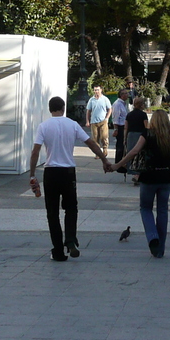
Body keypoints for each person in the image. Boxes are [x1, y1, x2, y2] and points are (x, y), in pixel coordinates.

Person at [28, 96, 111, 261]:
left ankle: (58, 251)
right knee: (71, 208)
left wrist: (32, 174)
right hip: (68, 172)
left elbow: (35, 151)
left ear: (50, 109)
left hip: (51, 172)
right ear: (63, 108)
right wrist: (104, 159)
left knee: (52, 213)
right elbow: (91, 143)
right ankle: (71, 240)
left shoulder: (44, 126)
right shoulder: (72, 125)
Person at [111, 109, 170, 258]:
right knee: (163, 211)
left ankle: (152, 237)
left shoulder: (147, 134)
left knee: (145, 208)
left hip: (149, 176)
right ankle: (160, 249)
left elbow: (134, 151)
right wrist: (167, 159)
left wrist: (118, 165)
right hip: (166, 177)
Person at [124, 96, 149, 185]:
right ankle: (138, 174)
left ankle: (134, 172)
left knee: (131, 153)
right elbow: (146, 127)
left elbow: (126, 128)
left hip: (131, 135)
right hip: (140, 136)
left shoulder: (129, 114)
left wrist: (125, 138)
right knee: (140, 154)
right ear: (141, 105)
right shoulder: (143, 115)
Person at [85, 85, 112, 153]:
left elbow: (110, 109)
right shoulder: (92, 100)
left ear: (101, 90)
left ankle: (105, 149)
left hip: (103, 121)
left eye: (97, 90)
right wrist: (87, 121)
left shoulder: (105, 99)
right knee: (95, 138)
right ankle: (98, 153)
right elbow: (88, 111)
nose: (96, 91)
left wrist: (107, 118)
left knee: (104, 137)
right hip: (94, 121)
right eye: (95, 90)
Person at [111, 87, 130, 168]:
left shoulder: (123, 103)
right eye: (126, 93)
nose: (127, 95)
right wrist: (116, 129)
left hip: (124, 126)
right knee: (120, 145)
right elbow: (115, 117)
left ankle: (122, 162)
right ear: (122, 95)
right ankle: (118, 163)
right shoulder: (117, 104)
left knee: (123, 144)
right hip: (120, 127)